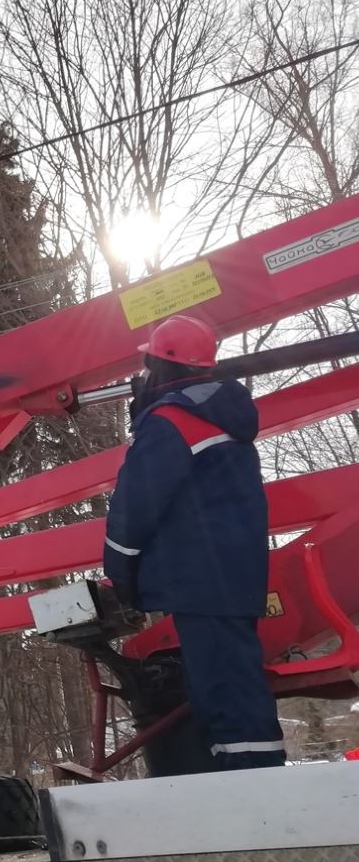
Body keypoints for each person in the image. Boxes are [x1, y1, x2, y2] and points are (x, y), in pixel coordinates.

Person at [103, 314, 285, 771]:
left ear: (159, 366)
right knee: (233, 684)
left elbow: (135, 504)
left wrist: (120, 572)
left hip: (200, 579)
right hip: (233, 575)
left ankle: (253, 797)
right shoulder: (222, 416)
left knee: (225, 694)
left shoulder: (172, 422)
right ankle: (252, 788)